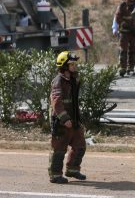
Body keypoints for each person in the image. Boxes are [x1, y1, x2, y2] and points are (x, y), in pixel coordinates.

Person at [49, 51, 86, 184]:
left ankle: (72, 169)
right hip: (61, 122)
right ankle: (55, 174)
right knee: (59, 149)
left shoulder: (73, 79)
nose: (74, 66)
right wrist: (65, 119)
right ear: (64, 66)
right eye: (71, 64)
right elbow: (56, 102)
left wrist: (76, 119)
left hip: (74, 120)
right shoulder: (58, 81)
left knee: (80, 145)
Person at [115, 0, 135, 77]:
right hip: (125, 32)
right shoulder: (123, 5)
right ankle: (123, 68)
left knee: (133, 51)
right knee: (123, 50)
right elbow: (118, 18)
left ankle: (131, 68)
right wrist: (123, 25)